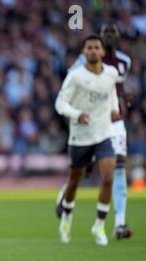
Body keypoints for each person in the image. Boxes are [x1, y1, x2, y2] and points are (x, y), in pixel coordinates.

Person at [68, 23, 133, 239]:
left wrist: (124, 99)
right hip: (89, 122)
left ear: (118, 36)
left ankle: (120, 224)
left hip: (114, 121)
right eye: (106, 34)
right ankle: (64, 204)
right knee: (79, 171)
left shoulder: (124, 62)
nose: (109, 37)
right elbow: (72, 81)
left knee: (118, 168)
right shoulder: (85, 60)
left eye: (113, 34)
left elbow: (117, 89)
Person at [55, 35, 120, 246]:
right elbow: (60, 104)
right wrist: (77, 114)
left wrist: (115, 110)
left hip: (104, 133)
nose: (93, 51)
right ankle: (66, 217)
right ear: (84, 52)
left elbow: (111, 94)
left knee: (109, 178)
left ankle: (99, 225)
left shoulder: (111, 73)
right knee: (75, 181)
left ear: (102, 52)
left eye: (96, 47)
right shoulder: (75, 76)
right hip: (80, 136)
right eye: (89, 48)